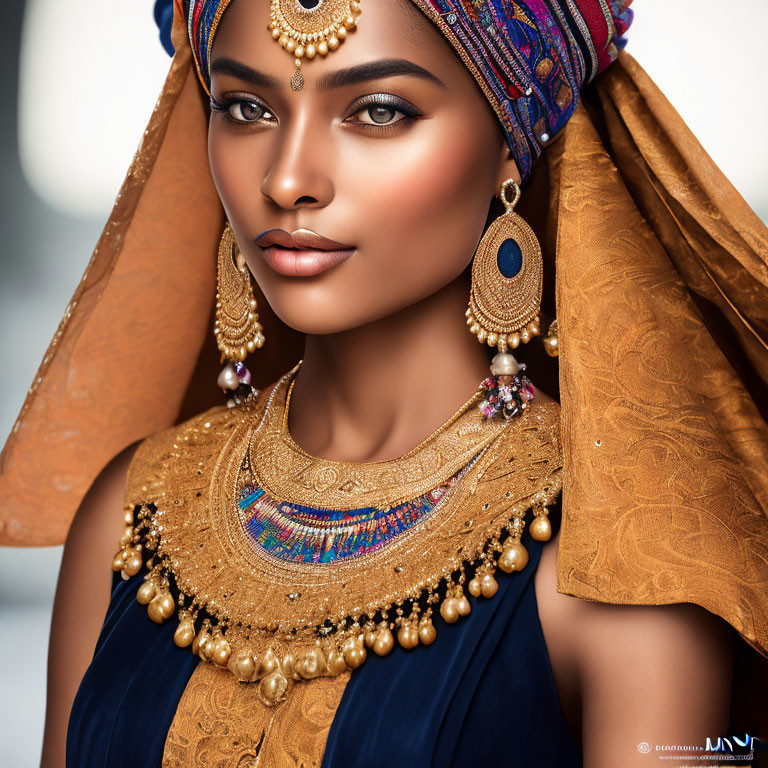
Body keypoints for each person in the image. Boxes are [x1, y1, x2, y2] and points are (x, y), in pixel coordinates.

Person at [1, 0, 766, 766]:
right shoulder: (133, 514)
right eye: (246, 107)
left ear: (510, 142)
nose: (288, 177)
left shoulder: (623, 566)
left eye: (376, 110)